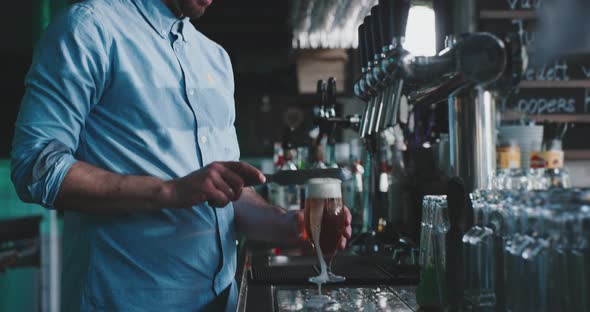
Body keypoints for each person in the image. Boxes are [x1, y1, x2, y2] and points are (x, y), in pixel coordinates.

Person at [10, 0, 352, 311]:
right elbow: (37, 167)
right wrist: (169, 192)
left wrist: (284, 225)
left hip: (223, 301)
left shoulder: (214, 58)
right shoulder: (89, 29)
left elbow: (225, 194)